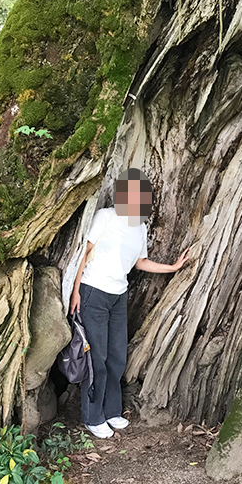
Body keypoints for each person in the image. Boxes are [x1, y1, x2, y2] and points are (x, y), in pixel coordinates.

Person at [69, 168, 189, 439]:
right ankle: (93, 417)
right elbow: (84, 254)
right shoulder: (106, 216)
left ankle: (112, 411)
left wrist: (173, 268)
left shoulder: (140, 227)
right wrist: (76, 292)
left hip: (118, 296)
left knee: (116, 357)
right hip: (93, 292)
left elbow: (139, 262)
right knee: (96, 358)